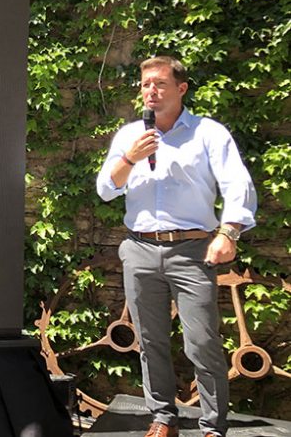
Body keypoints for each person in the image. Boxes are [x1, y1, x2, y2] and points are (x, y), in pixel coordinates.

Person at [96, 56, 257, 437]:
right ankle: (162, 418)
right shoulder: (129, 136)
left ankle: (213, 425)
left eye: (160, 83)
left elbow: (238, 185)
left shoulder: (208, 133)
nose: (150, 91)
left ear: (181, 88)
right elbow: (105, 189)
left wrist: (228, 233)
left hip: (191, 250)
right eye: (145, 84)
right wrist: (130, 158)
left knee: (202, 341)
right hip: (139, 249)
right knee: (150, 341)